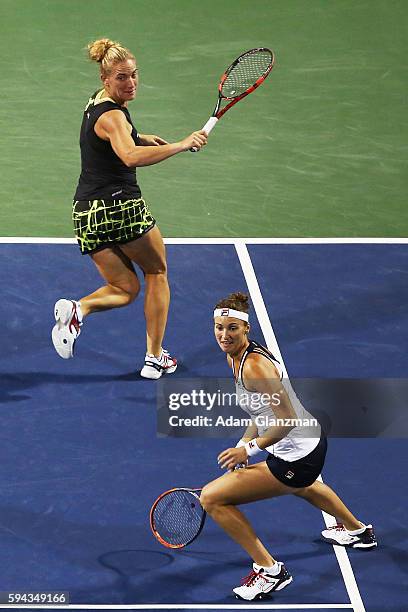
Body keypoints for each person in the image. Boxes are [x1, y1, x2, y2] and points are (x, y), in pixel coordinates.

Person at [200, 292, 376, 601]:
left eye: (232, 329)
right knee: (304, 487)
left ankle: (270, 571)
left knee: (212, 498)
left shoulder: (254, 367)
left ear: (246, 330)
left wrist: (249, 450)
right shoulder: (236, 357)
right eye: (219, 327)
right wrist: (243, 442)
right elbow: (259, 409)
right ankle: (358, 532)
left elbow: (287, 420)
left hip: (296, 455)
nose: (224, 335)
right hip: (307, 444)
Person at [51, 38, 207, 378]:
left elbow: (112, 138)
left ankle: (80, 309)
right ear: (106, 78)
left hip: (86, 214)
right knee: (157, 272)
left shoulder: (97, 103)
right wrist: (181, 145)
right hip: (120, 207)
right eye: (122, 77)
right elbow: (129, 156)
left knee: (126, 289)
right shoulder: (114, 117)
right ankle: (154, 358)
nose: (131, 83)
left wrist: (140, 135)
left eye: (134, 75)